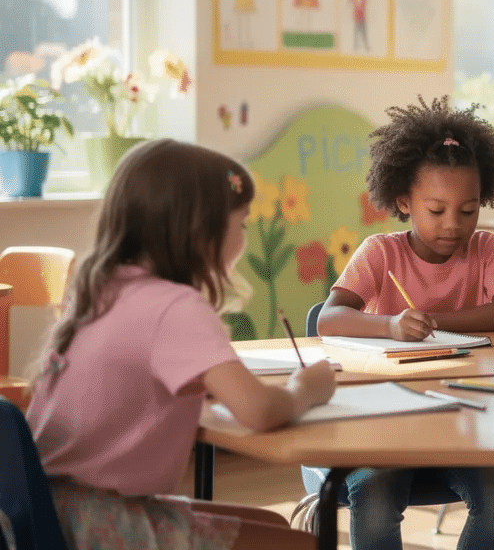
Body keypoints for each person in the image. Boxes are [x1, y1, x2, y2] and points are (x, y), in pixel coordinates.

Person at [25, 139, 336, 550]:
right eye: (240, 224)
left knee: (273, 524)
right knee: (303, 545)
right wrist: (306, 388)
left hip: (49, 508)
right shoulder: (175, 307)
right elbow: (259, 411)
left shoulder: (101, 287)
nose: (243, 238)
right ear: (199, 229)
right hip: (96, 522)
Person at [310, 96, 494, 550]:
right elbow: (329, 319)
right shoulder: (380, 253)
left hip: (465, 422)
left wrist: (437, 323)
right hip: (383, 422)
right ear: (404, 201)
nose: (454, 225)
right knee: (372, 498)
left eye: (468, 211)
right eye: (437, 210)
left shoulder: (485, 249)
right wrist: (391, 326)